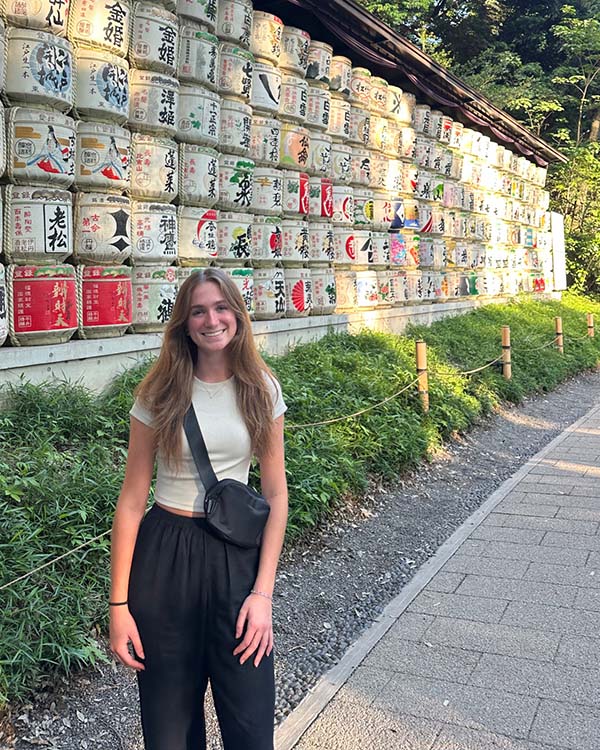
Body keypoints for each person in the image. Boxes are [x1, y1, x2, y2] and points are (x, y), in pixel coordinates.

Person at [109, 268, 288, 750]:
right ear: (184, 324)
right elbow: (131, 503)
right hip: (165, 558)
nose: (212, 320)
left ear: (238, 315)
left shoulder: (261, 389)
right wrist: (119, 607)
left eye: (221, 307)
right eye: (199, 311)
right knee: (170, 729)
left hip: (236, 558)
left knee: (250, 727)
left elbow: (275, 495)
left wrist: (263, 595)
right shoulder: (158, 394)